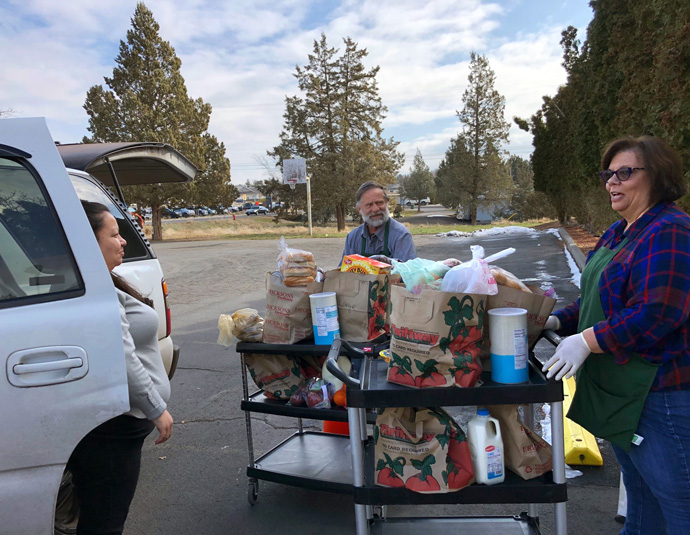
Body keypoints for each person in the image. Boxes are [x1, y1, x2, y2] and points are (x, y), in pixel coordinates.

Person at [542, 136, 690, 534]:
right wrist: (556, 322)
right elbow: (595, 300)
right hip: (621, 394)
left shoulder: (670, 231)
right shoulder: (618, 232)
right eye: (609, 174)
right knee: (642, 496)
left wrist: (588, 341)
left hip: (659, 394)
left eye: (625, 172)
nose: (612, 182)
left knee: (679, 501)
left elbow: (659, 312)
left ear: (657, 176)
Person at [67, 201, 173, 535]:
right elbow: (122, 354)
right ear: (89, 240)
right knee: (105, 521)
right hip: (116, 427)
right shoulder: (95, 293)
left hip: (120, 425)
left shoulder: (102, 282)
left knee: (103, 514)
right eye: (114, 234)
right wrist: (156, 408)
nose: (123, 240)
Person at [341, 181, 416, 264]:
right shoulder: (352, 237)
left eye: (379, 203)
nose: (376, 209)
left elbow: (407, 273)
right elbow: (343, 272)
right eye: (369, 205)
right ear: (360, 209)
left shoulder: (401, 235)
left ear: (387, 204)